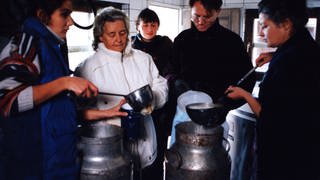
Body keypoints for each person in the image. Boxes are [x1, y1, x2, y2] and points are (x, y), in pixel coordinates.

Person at [0, 0, 128, 179]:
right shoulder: (27, 42)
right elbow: (7, 100)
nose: (70, 22)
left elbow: (56, 112)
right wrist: (65, 82)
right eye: (64, 14)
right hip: (34, 166)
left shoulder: (53, 47)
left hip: (60, 164)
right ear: (42, 15)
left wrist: (105, 113)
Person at [226, 0, 320, 179]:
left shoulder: (287, 63)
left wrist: (244, 94)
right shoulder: (304, 46)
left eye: (265, 26)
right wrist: (274, 55)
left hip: (285, 155)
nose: (261, 33)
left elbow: (269, 116)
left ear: (285, 24)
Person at [75, 7, 168, 180]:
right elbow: (78, 112)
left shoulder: (143, 58)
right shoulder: (87, 67)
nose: (119, 39)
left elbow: (161, 84)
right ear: (100, 36)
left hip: (146, 143)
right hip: (109, 151)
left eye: (122, 32)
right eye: (112, 34)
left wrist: (153, 98)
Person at [168, 0, 256, 146]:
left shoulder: (231, 42)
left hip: (215, 115)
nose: (201, 21)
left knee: (213, 165)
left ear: (218, 11)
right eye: (196, 16)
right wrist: (175, 82)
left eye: (207, 16)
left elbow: (247, 79)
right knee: (178, 161)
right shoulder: (182, 39)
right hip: (183, 114)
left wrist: (226, 104)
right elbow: (169, 71)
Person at [131, 8, 174, 180]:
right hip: (138, 102)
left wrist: (168, 80)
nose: (150, 29)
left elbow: (173, 67)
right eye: (146, 25)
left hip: (161, 102)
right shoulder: (132, 47)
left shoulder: (165, 44)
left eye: (153, 25)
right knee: (138, 146)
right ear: (138, 27)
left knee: (159, 143)